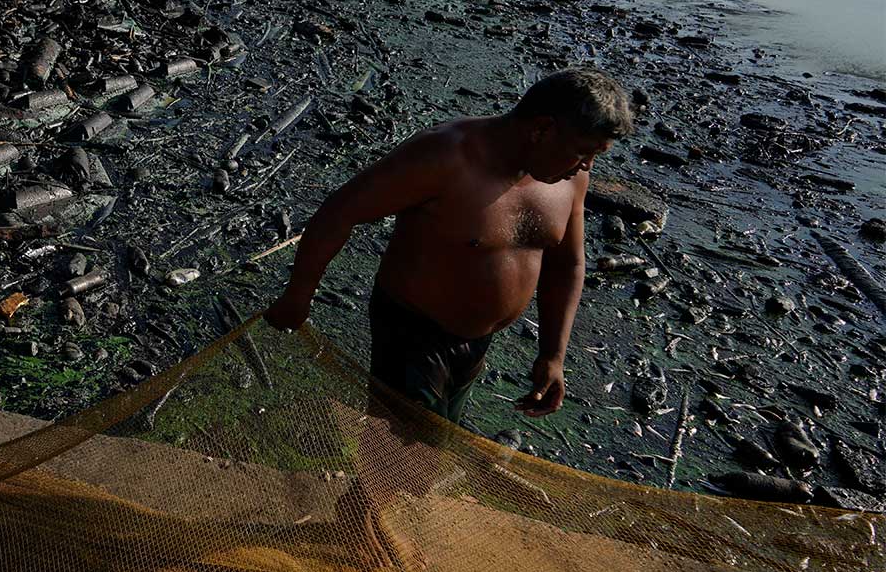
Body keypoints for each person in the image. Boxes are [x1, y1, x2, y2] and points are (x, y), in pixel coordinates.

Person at [266, 68, 635, 427]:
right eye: (583, 152)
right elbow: (340, 211)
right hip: (412, 335)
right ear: (542, 129)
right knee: (404, 457)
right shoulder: (446, 156)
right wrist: (298, 296)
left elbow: (566, 264)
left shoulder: (571, 177)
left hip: (476, 343)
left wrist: (553, 354)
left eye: (595, 155)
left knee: (431, 449)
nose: (587, 165)